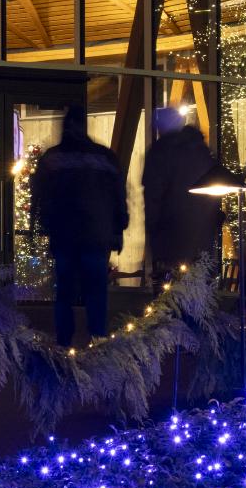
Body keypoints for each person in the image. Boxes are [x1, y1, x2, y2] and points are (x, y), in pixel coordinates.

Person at [29, 105, 129, 347]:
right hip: (96, 235)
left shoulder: (53, 159)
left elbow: (39, 194)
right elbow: (118, 195)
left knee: (65, 292)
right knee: (96, 292)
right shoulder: (104, 157)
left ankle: (64, 342)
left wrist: (39, 225)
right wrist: (118, 227)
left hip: (65, 236)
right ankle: (98, 340)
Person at [141, 106, 222, 284]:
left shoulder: (160, 152)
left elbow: (153, 195)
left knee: (173, 290)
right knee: (199, 288)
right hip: (202, 233)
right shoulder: (201, 151)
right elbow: (215, 187)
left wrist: (152, 230)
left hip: (171, 233)